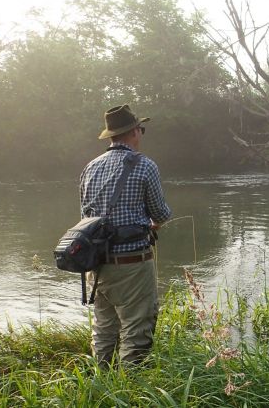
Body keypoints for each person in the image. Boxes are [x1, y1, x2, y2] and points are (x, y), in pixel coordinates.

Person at [79, 104, 172, 365]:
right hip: (132, 264)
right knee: (137, 330)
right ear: (133, 131)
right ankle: (130, 392)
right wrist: (154, 225)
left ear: (110, 135)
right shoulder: (145, 166)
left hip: (97, 264)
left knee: (104, 329)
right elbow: (161, 214)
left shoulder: (90, 167)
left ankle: (102, 385)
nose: (141, 133)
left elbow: (87, 219)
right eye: (140, 129)